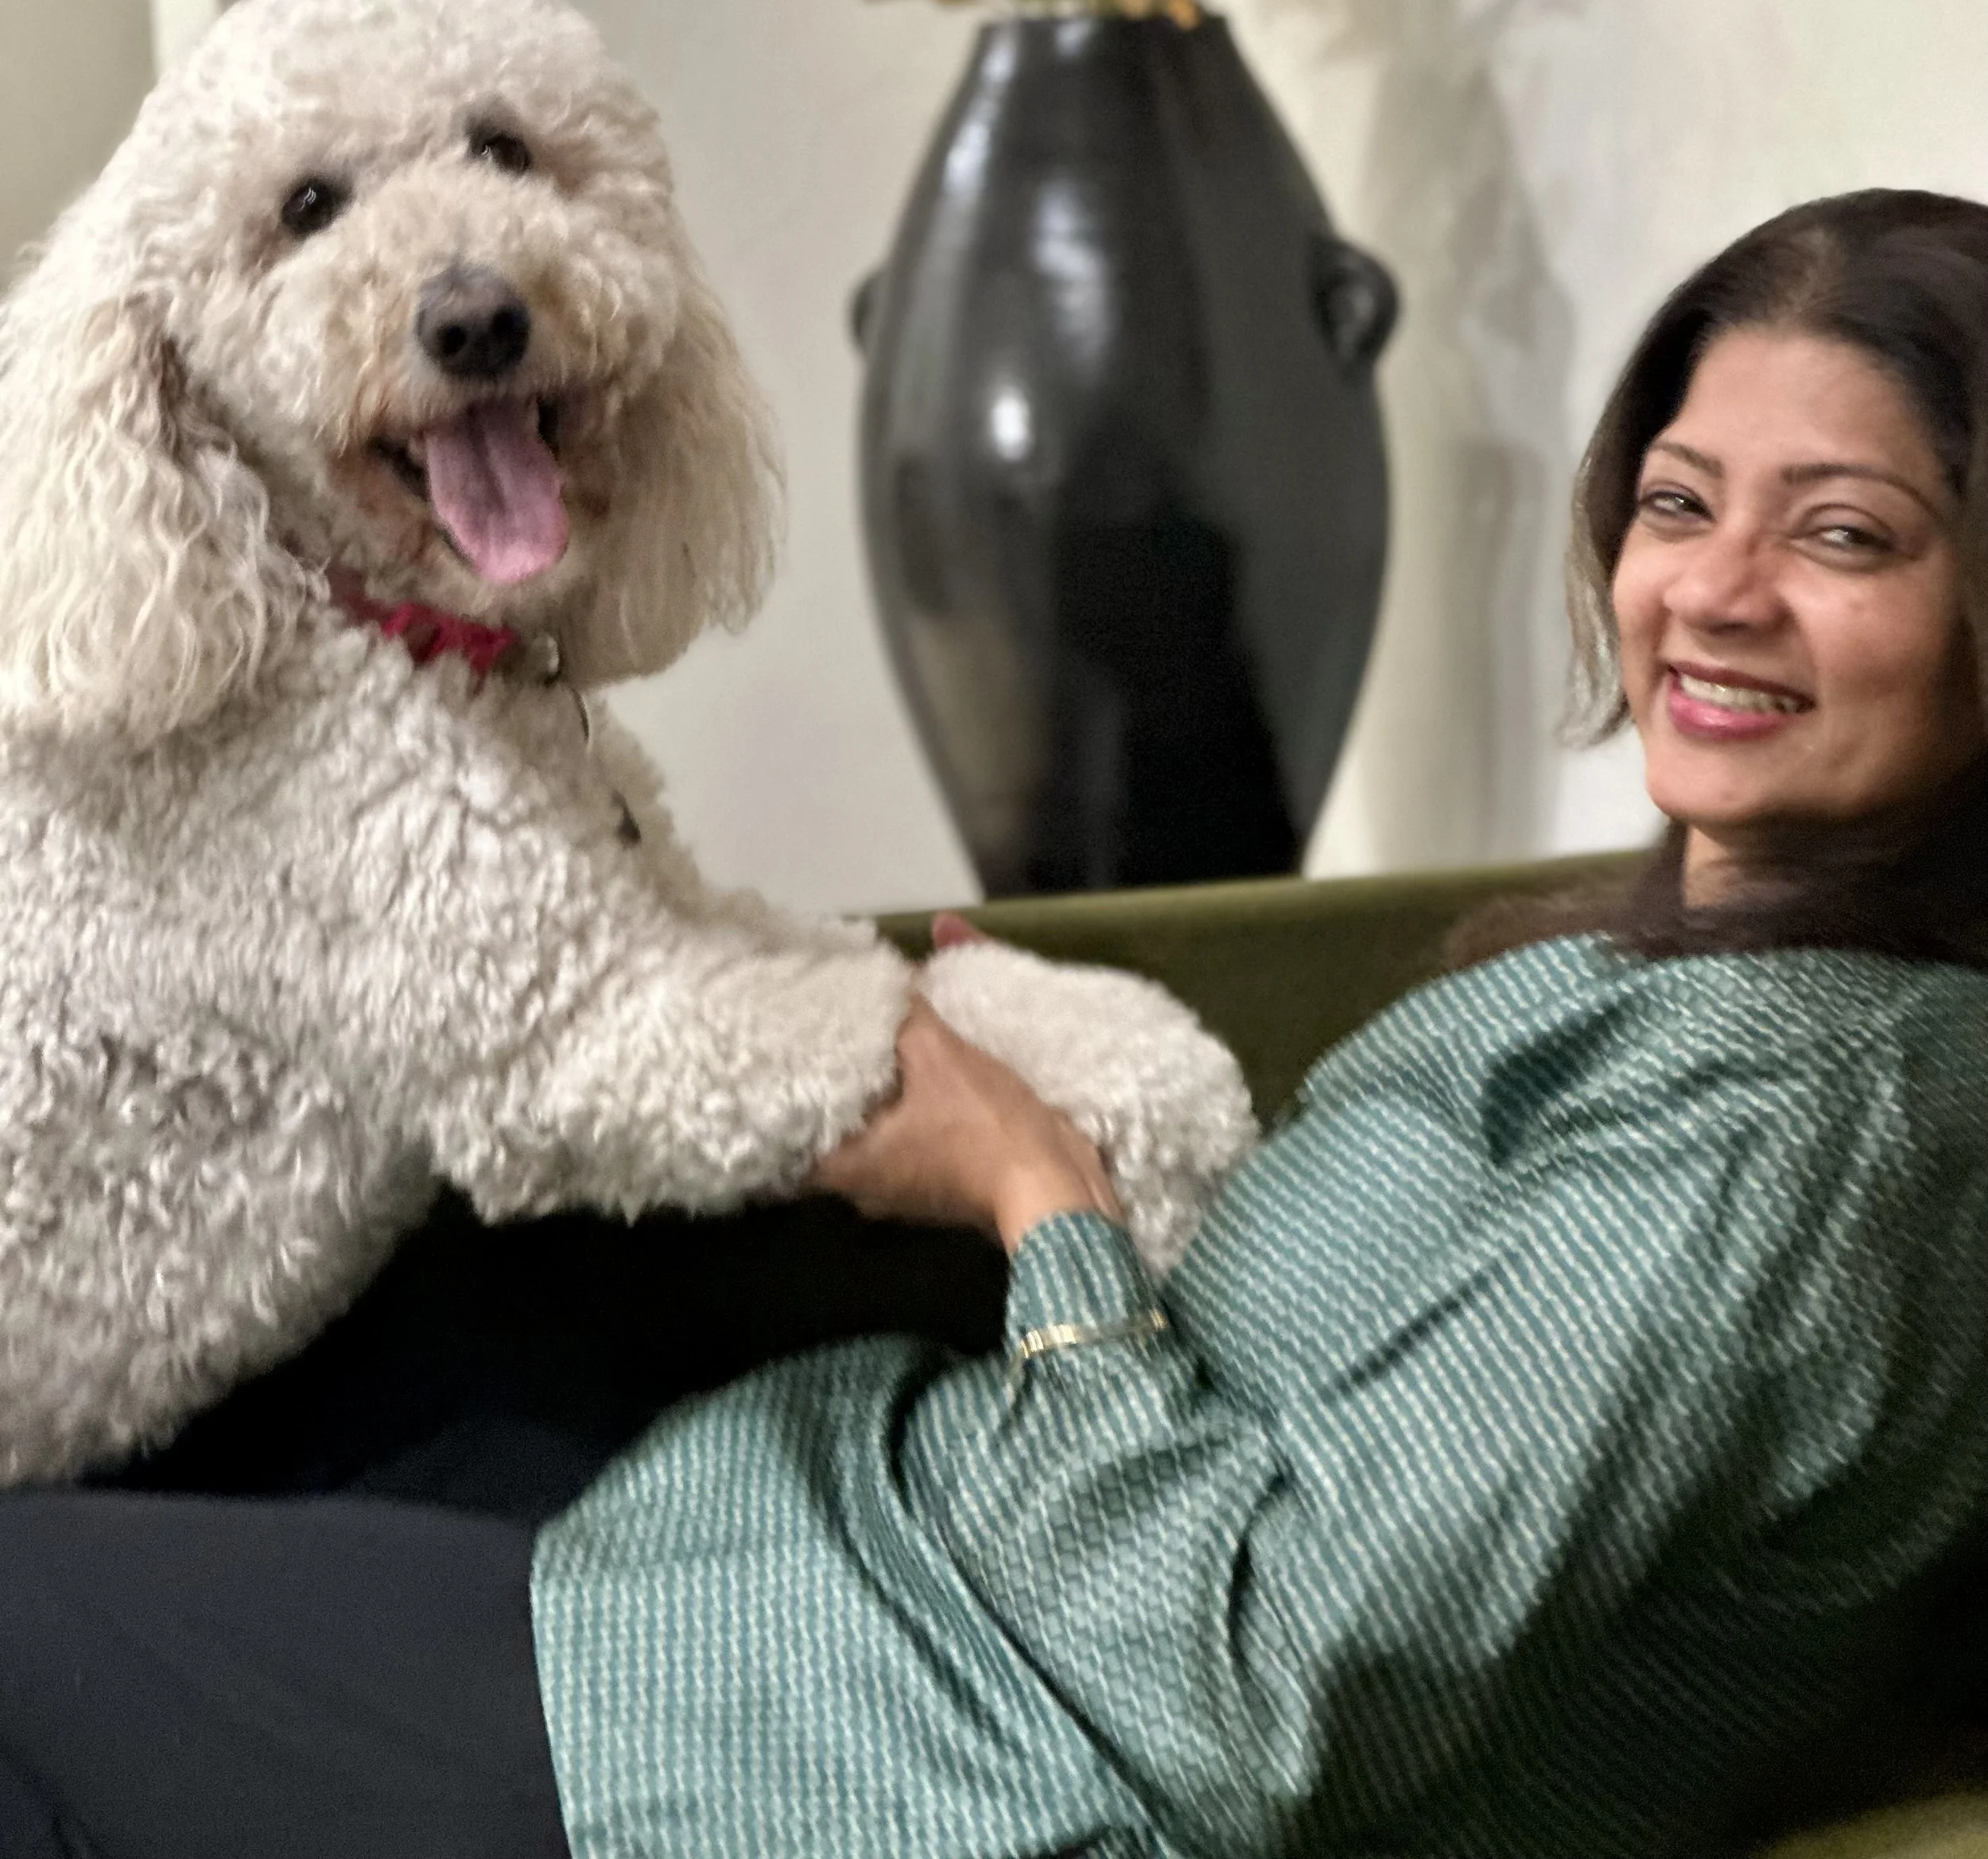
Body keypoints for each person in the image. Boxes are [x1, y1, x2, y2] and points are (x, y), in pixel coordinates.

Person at [6, 185, 1988, 1858]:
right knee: (323, 1371)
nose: (1712, 592)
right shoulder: (1683, 976)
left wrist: (1026, 1179)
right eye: (1678, 504)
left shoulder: (1793, 1139)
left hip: (924, 1752)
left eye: (1840, 536)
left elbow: (1239, 1688)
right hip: (869, 1550)